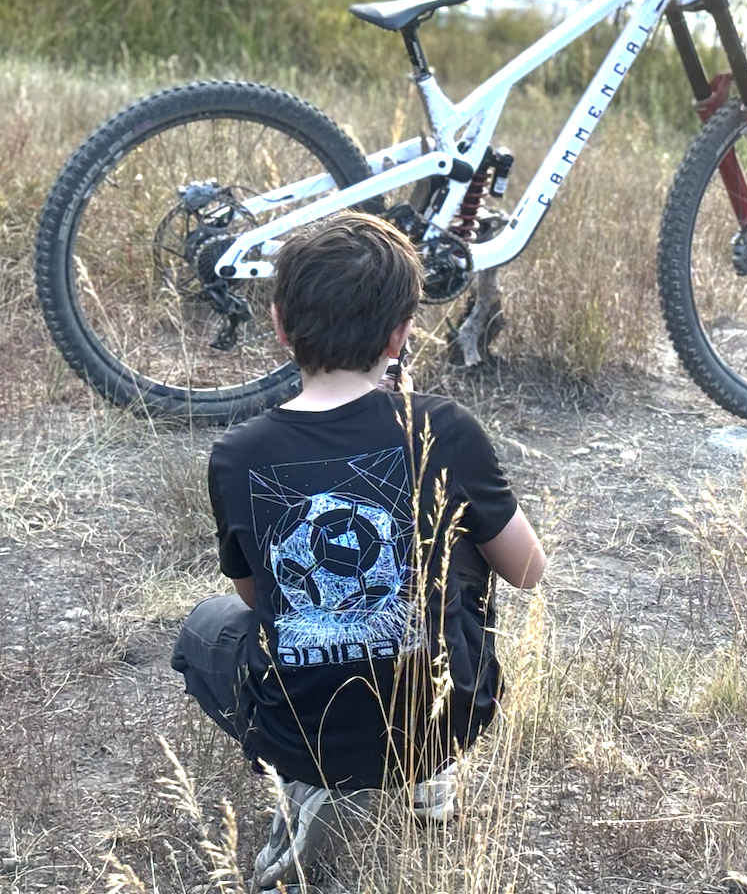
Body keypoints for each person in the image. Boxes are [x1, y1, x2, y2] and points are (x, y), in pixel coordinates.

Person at [170, 213, 545, 890]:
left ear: (279, 324)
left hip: (300, 732)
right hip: (442, 715)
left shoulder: (238, 453)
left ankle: (306, 785)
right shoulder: (445, 429)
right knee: (462, 558)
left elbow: (262, 601)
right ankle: (430, 772)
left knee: (207, 626)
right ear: (402, 332)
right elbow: (527, 570)